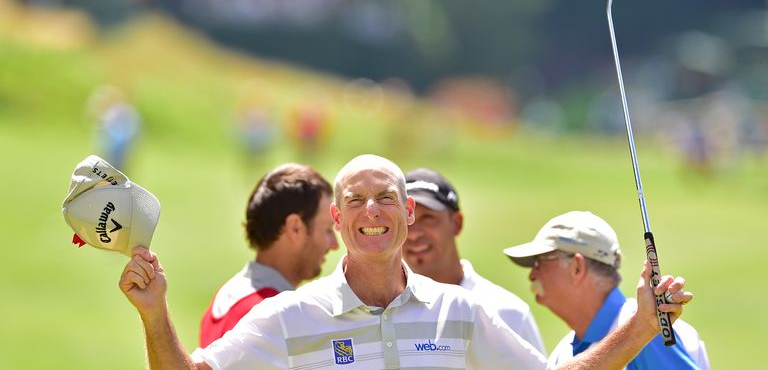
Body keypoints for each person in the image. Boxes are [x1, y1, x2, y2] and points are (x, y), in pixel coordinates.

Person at [120, 154, 693, 370]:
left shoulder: (462, 316)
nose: (373, 209)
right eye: (354, 200)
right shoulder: (291, 317)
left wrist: (641, 324)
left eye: (387, 196)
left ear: (409, 216)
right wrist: (153, 315)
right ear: (337, 224)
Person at [504, 210, 710, 369]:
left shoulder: (647, 332)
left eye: (540, 262)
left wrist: (641, 327)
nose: (532, 274)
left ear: (577, 268)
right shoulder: (563, 352)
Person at [403, 167, 545, 353]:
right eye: (406, 219)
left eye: (428, 218)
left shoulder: (506, 312)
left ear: (457, 223)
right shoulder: (382, 311)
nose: (414, 233)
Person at [199, 163, 339, 347]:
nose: (335, 244)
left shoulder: (229, 294)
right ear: (295, 227)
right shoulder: (274, 315)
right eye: (328, 229)